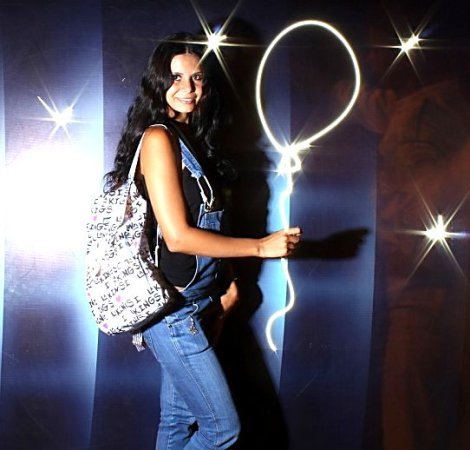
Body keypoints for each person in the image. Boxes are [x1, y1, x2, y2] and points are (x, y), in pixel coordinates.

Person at [104, 32, 301, 450]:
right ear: (158, 82)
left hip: (200, 302)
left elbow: (208, 224)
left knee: (177, 422)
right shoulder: (158, 139)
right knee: (222, 431)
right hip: (173, 312)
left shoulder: (191, 141)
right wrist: (260, 247)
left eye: (197, 78)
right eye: (176, 78)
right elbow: (178, 237)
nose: (188, 88)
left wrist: (225, 286)